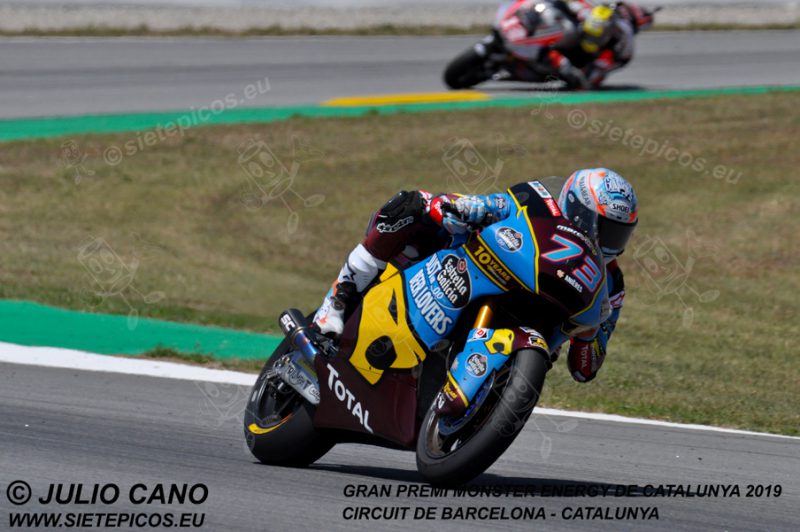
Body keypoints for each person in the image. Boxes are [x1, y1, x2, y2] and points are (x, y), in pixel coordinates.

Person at [312, 168, 638, 384]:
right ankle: (338, 300)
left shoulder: (611, 286)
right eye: (603, 228)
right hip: (477, 271)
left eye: (618, 234)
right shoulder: (540, 205)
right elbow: (495, 204)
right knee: (414, 204)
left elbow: (585, 369)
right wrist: (470, 208)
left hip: (521, 352)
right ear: (575, 208)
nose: (609, 243)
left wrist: (590, 335)